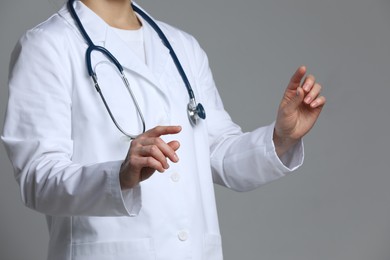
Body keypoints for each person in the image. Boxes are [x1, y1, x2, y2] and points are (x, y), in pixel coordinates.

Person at [2, 0, 326, 259]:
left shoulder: (182, 47)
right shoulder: (47, 46)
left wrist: (280, 138)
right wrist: (121, 175)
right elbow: (37, 178)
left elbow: (217, 153)